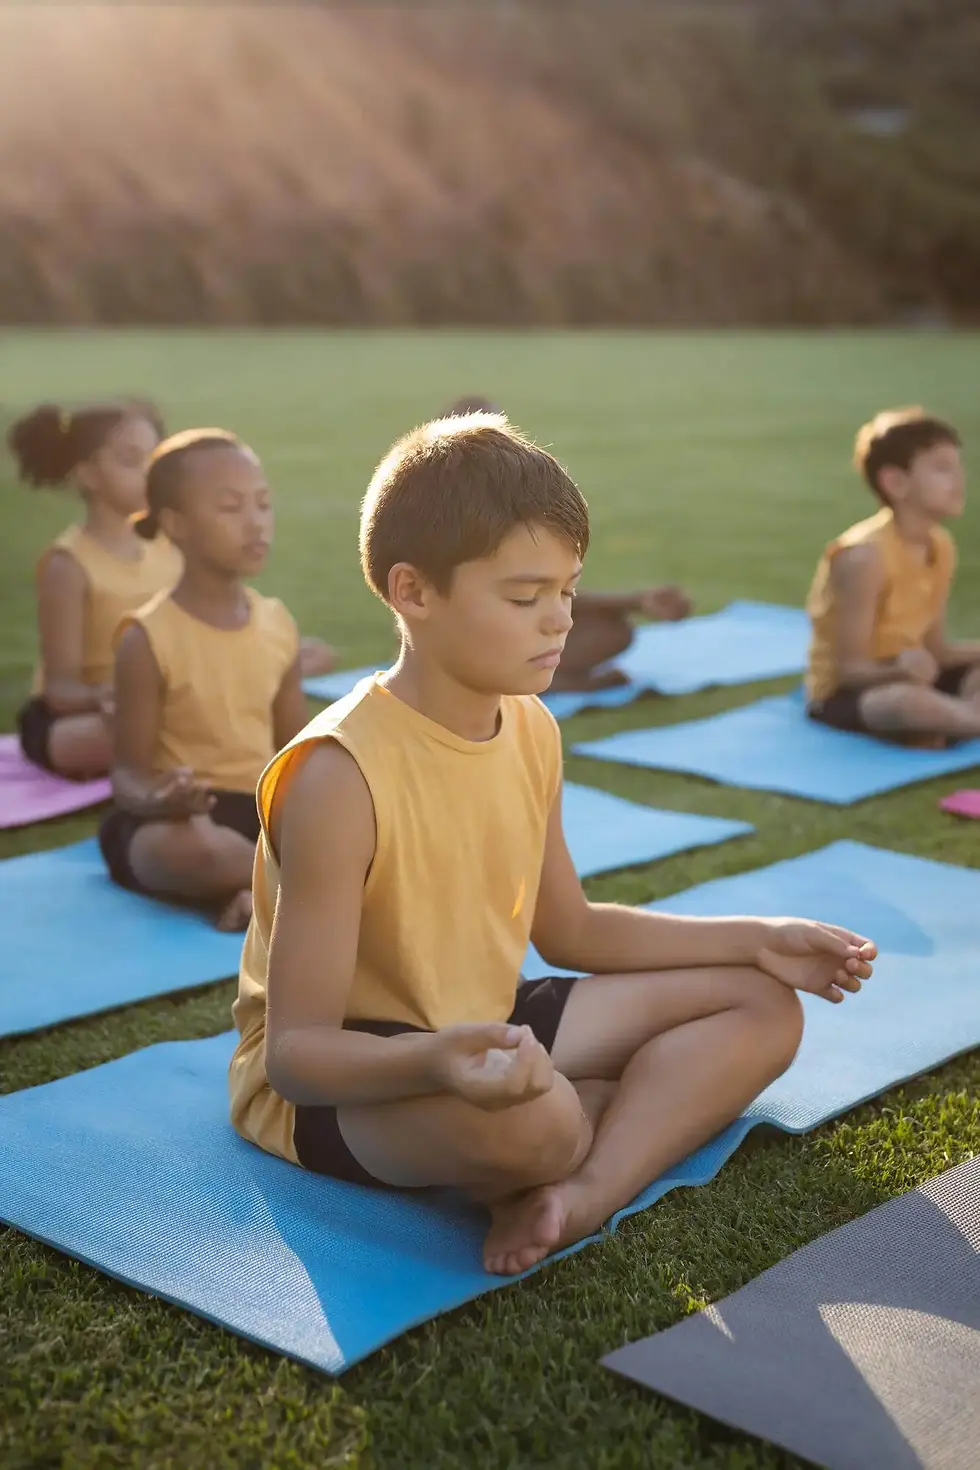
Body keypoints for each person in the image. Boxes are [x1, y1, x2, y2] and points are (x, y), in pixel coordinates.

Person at [229, 410, 875, 1275]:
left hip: (489, 1028)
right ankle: (598, 1130)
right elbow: (298, 1057)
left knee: (763, 1005)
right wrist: (442, 1062)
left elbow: (570, 931)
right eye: (526, 597)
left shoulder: (531, 727)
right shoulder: (336, 776)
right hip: (357, 1072)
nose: (560, 622)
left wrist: (758, 936)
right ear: (413, 592)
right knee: (538, 1123)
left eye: (568, 591)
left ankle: (584, 1192)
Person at [98, 428, 309, 931]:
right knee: (200, 851)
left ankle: (256, 895)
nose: (255, 523)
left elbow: (295, 757)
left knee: (359, 831)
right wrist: (161, 800)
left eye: (262, 504)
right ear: (176, 524)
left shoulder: (278, 624)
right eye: (231, 508)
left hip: (257, 817)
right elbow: (127, 775)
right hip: (174, 822)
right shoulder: (147, 638)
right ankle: (286, 891)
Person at [441, 397, 692, 691]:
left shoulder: (482, 502)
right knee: (609, 629)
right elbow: (529, 595)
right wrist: (635, 602)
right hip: (468, 639)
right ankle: (536, 682)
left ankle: (533, 678)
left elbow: (537, 592)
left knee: (605, 628)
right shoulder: (471, 515)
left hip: (466, 636)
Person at [9, 399, 179, 779]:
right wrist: (107, 696)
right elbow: (60, 689)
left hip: (157, 701)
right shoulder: (67, 565)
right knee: (158, 728)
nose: (150, 473)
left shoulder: (169, 548)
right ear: (87, 474)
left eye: (155, 458)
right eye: (131, 460)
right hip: (76, 717)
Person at [806, 406, 980, 743]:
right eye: (943, 469)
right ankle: (964, 720)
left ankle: (956, 720)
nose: (960, 480)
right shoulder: (864, 557)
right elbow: (849, 670)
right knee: (906, 703)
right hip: (850, 692)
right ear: (895, 482)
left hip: (917, 674)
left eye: (959, 467)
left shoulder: (940, 545)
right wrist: (899, 672)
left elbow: (938, 650)